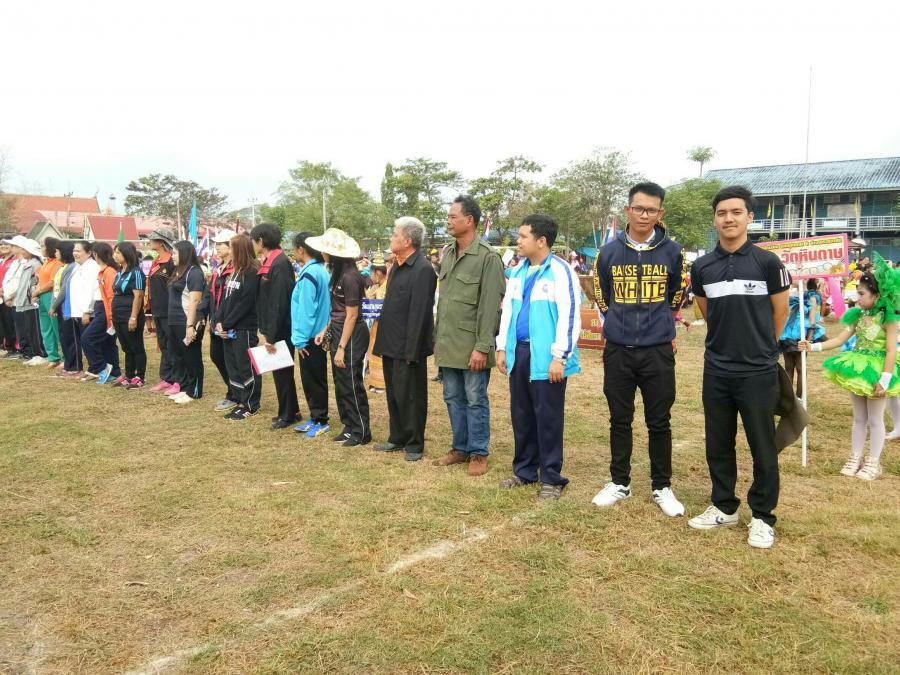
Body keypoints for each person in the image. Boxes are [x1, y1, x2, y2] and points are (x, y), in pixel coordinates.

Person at [688, 185, 790, 549]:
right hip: (716, 369)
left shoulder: (768, 263)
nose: (728, 219)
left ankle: (762, 516)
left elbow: (781, 311)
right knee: (718, 442)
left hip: (757, 371)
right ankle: (723, 506)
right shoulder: (702, 267)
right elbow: (708, 312)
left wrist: (761, 348)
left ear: (749, 217)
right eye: (721, 213)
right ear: (715, 219)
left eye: (735, 212)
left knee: (762, 445)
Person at [591, 182, 687, 517]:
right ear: (627, 210)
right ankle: (620, 482)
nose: (644, 215)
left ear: (660, 213)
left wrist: (659, 323)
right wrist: (617, 321)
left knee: (659, 420)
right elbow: (601, 293)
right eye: (639, 208)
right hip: (618, 349)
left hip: (657, 349)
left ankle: (662, 486)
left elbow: (676, 295)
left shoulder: (674, 252)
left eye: (651, 210)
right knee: (619, 419)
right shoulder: (608, 252)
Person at [496, 214, 581, 499]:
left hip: (546, 356)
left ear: (541, 241)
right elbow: (508, 311)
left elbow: (570, 315)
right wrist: (502, 347)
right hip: (520, 352)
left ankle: (552, 477)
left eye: (523, 236)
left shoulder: (561, 271)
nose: (517, 242)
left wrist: (560, 356)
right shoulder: (518, 272)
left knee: (548, 417)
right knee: (521, 414)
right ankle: (524, 471)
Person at [800, 258, 899, 481]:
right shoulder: (858, 315)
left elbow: (891, 350)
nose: (857, 297)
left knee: (875, 419)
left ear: (877, 295)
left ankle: (873, 462)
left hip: (878, 370)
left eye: (862, 293)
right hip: (858, 368)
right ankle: (855, 457)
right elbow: (840, 339)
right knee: (859, 417)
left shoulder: (888, 319)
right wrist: (813, 346)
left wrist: (885, 378)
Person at [432, 195, 505, 476]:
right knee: (452, 396)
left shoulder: (488, 257)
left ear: (469, 220)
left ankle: (478, 452)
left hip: (472, 344)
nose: (448, 221)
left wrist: (482, 346)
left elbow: (490, 308)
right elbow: (445, 302)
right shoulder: (448, 253)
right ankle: (460, 448)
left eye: (453, 216)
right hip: (449, 342)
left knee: (475, 399)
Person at [372, 217, 437, 462]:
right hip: (391, 341)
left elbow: (420, 313)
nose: (391, 238)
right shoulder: (397, 265)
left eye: (395, 234)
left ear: (408, 240)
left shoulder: (422, 268)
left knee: (412, 395)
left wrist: (412, 350)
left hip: (409, 346)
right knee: (394, 393)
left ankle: (414, 443)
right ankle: (397, 436)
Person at [308, 228, 371, 447]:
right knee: (340, 381)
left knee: (351, 381)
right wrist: (325, 330)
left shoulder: (351, 276)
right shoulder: (336, 273)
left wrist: (342, 347)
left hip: (351, 333)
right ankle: (349, 425)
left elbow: (352, 315)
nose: (322, 253)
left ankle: (361, 430)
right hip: (337, 328)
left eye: (325, 250)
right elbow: (336, 309)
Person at [250, 223, 301, 430]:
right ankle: (290, 410)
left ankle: (288, 414)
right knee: (279, 370)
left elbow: (279, 301)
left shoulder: (280, 263)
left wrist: (271, 335)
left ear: (261, 241)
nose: (253, 244)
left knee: (282, 371)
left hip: (281, 328)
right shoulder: (271, 261)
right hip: (274, 327)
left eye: (254, 241)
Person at [290, 232, 332, 438]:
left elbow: (306, 310)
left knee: (313, 379)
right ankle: (316, 417)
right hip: (317, 333)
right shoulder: (319, 270)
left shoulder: (309, 274)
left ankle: (321, 419)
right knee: (314, 378)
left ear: (301, 249)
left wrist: (299, 339)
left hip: (310, 336)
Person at [217, 234, 262, 420]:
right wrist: (219, 321)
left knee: (246, 366)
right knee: (233, 365)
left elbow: (245, 303)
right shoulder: (235, 270)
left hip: (244, 328)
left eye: (232, 247)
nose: (229, 251)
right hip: (228, 328)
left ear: (240, 249)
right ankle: (240, 401)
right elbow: (226, 299)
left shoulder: (252, 271)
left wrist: (227, 323)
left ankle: (251, 404)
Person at [166, 240, 207, 403]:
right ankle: (185, 387)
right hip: (174, 320)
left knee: (191, 356)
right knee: (180, 357)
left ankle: (194, 391)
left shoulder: (194, 272)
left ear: (184, 254)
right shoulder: (179, 271)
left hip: (186, 320)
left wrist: (190, 325)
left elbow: (195, 300)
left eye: (175, 253)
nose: (172, 256)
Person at [145, 228, 181, 394]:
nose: (150, 241)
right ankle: (167, 378)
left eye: (153, 239)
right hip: (158, 309)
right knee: (164, 345)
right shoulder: (156, 261)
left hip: (170, 310)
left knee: (173, 345)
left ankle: (178, 380)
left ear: (161, 242)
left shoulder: (171, 261)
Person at [208, 229, 240, 412]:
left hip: (229, 320)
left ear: (231, 246)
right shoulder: (219, 268)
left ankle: (235, 393)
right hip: (217, 319)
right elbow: (211, 295)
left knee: (231, 359)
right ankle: (232, 389)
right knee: (216, 355)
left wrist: (225, 320)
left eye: (220, 244)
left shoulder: (236, 268)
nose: (217, 248)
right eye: (216, 244)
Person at [80, 242, 121, 384]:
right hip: (100, 307)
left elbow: (110, 295)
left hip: (106, 309)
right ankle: (114, 371)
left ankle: (100, 367)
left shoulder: (109, 271)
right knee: (107, 342)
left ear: (97, 254)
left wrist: (110, 316)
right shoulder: (102, 271)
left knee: (87, 338)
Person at [779, 278, 826, 397]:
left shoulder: (807, 297)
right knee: (793, 367)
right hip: (791, 333)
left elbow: (812, 318)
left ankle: (796, 398)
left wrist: (810, 336)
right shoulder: (791, 295)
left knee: (796, 367)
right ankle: (792, 398)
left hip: (795, 333)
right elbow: (812, 319)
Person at [111, 242, 147, 388]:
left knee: (136, 345)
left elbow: (138, 296)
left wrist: (133, 317)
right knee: (126, 347)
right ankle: (129, 375)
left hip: (130, 314)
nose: (114, 255)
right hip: (118, 315)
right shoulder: (119, 272)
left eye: (118, 253)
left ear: (127, 254)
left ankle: (139, 376)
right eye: (114, 252)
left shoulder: (136, 272)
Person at [5, 237, 45, 364]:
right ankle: (34, 353)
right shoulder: (28, 263)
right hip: (24, 301)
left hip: (31, 302)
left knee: (35, 330)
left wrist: (32, 296)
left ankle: (40, 353)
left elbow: (35, 283)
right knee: (29, 329)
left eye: (24, 249)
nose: (22, 252)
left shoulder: (35, 264)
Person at [66, 241, 100, 379]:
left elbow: (92, 291)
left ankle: (96, 369)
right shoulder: (77, 267)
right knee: (83, 341)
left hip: (87, 312)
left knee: (89, 341)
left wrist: (87, 310)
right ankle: (92, 368)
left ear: (89, 253)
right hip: (78, 311)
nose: (75, 253)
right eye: (74, 250)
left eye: (79, 251)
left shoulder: (92, 267)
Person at [33, 237, 62, 369]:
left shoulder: (57, 263)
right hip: (42, 297)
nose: (41, 248)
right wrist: (36, 293)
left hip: (51, 295)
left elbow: (52, 283)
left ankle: (64, 356)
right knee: (46, 328)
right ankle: (53, 357)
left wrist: (37, 291)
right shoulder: (45, 263)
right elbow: (41, 280)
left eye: (43, 246)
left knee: (56, 327)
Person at [49, 241, 78, 374]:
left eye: (57, 251)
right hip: (60, 307)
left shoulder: (72, 267)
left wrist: (54, 306)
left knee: (70, 337)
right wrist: (54, 305)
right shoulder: (62, 267)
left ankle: (74, 366)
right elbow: (56, 289)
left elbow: (64, 289)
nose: (55, 253)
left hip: (67, 307)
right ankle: (67, 364)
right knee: (63, 336)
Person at [365, 253, 388, 393]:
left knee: (381, 354)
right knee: (373, 352)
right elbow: (367, 302)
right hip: (375, 325)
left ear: (378, 273)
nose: (370, 276)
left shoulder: (387, 287)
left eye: (371, 273)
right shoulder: (375, 287)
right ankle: (375, 382)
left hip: (385, 326)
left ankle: (382, 383)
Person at [0, 239, 19, 358]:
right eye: (1, 244)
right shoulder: (2, 260)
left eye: (6, 244)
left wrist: (6, 292)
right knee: (3, 323)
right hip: (1, 296)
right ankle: (7, 346)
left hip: (9, 296)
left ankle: (14, 347)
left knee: (10, 322)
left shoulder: (15, 261)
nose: (3, 246)